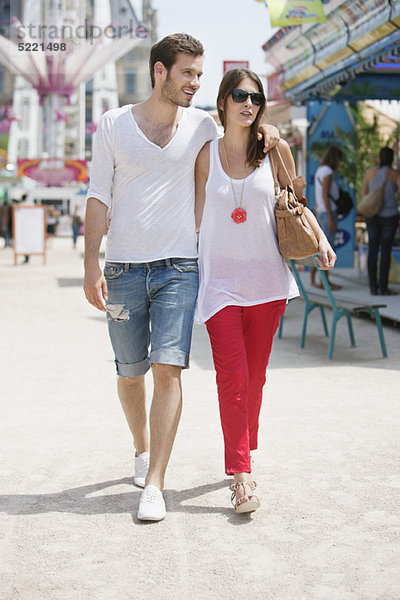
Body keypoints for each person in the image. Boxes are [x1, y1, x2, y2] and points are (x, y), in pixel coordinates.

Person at [83, 34, 280, 521]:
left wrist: (270, 133)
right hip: (123, 267)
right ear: (160, 72)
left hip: (179, 267)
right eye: (188, 73)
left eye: (199, 73)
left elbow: (244, 135)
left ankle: (154, 485)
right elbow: (98, 196)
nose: (196, 82)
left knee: (168, 369)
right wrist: (90, 262)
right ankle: (141, 447)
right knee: (130, 373)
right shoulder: (111, 124)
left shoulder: (202, 126)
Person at [195, 68, 336, 513]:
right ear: (222, 103)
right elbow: (191, 218)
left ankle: (243, 444)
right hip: (219, 286)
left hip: (268, 284)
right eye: (238, 95)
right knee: (232, 379)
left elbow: (294, 201)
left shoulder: (275, 149)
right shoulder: (204, 156)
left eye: (255, 97)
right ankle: (241, 474)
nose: (248, 103)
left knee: (254, 379)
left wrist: (321, 240)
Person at [361, 146, 400, 295]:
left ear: (379, 157)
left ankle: (372, 287)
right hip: (389, 216)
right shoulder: (394, 174)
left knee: (372, 249)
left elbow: (364, 193)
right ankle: (383, 287)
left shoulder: (370, 173)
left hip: (371, 215)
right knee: (385, 251)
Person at [310, 146, 343, 290]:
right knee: (327, 249)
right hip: (328, 212)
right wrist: (330, 217)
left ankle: (314, 279)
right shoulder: (328, 172)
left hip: (321, 212)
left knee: (319, 248)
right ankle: (325, 281)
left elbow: (319, 196)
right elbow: (325, 195)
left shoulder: (320, 170)